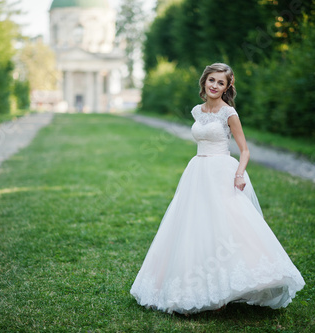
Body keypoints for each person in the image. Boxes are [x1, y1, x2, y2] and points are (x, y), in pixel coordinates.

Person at [130, 63, 305, 315]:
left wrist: (239, 174)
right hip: (197, 171)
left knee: (226, 225)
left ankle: (225, 291)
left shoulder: (229, 113)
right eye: (211, 80)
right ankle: (197, 287)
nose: (214, 85)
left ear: (227, 87)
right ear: (204, 81)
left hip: (222, 171)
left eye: (220, 83)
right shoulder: (196, 111)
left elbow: (244, 150)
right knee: (195, 227)